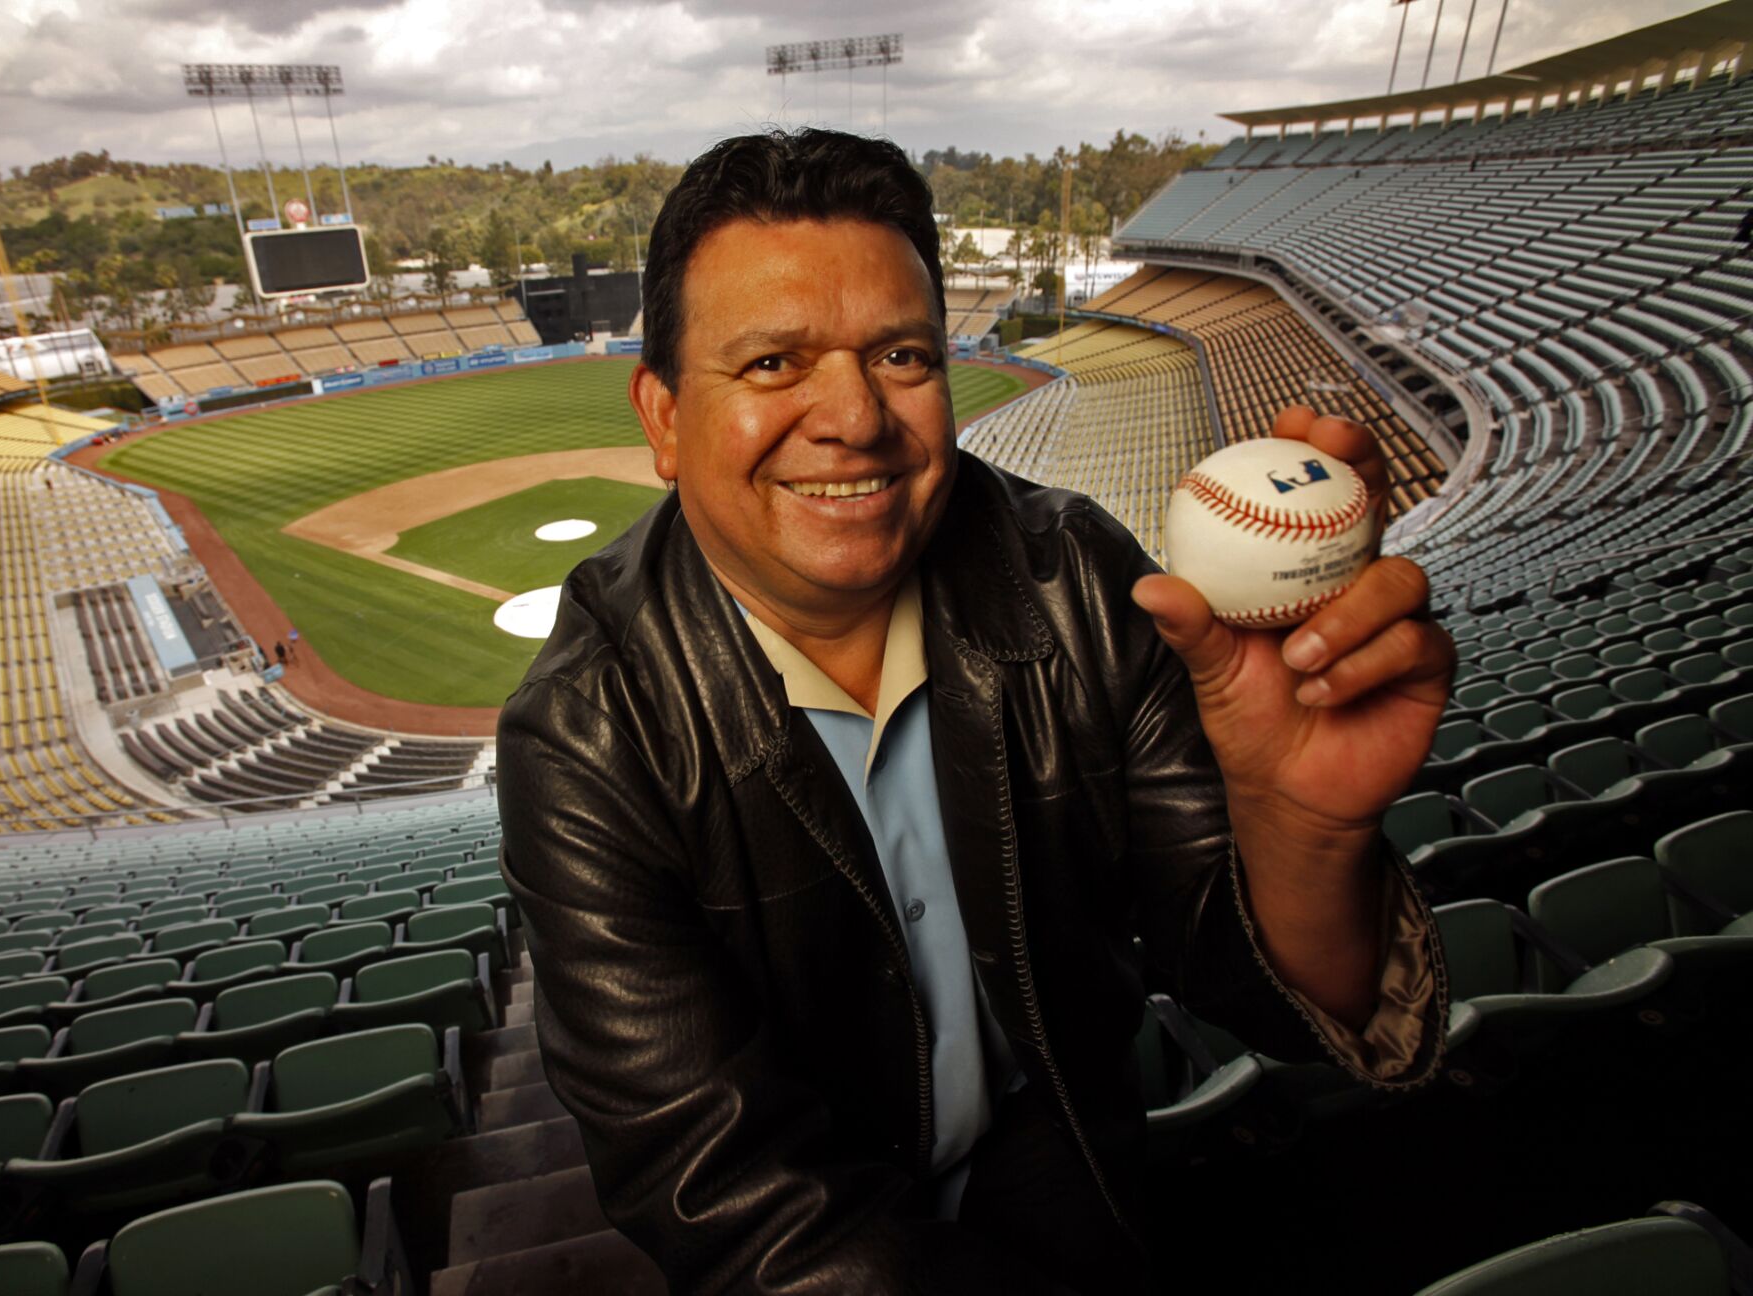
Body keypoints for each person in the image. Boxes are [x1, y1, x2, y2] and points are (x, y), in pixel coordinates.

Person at [496, 128, 1453, 1295]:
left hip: (1082, 1180)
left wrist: (1301, 828)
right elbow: (717, 1185)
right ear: (660, 415)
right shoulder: (587, 731)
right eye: (771, 366)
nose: (852, 417)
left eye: (900, 355)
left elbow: (1266, 998)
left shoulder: (1076, 585)